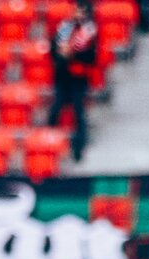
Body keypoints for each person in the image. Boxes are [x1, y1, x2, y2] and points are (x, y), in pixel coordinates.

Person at [48, 1, 98, 162]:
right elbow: (53, 48)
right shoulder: (65, 27)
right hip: (62, 78)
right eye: (76, 11)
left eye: (81, 12)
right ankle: (50, 146)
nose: (78, 14)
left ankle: (78, 149)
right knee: (54, 111)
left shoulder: (90, 31)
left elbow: (91, 57)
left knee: (78, 114)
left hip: (79, 80)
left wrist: (73, 54)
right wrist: (61, 53)